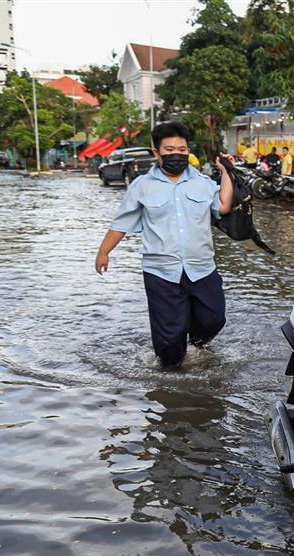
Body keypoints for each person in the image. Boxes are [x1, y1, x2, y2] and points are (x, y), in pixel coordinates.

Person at [94, 121, 234, 370]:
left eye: (182, 149)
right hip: (161, 271)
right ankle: (173, 384)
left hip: (201, 267)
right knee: (169, 342)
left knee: (214, 319)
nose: (176, 155)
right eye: (169, 150)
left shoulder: (202, 182)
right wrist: (104, 252)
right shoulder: (141, 186)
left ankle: (196, 342)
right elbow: (121, 224)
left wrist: (226, 172)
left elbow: (222, 207)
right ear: (156, 152)